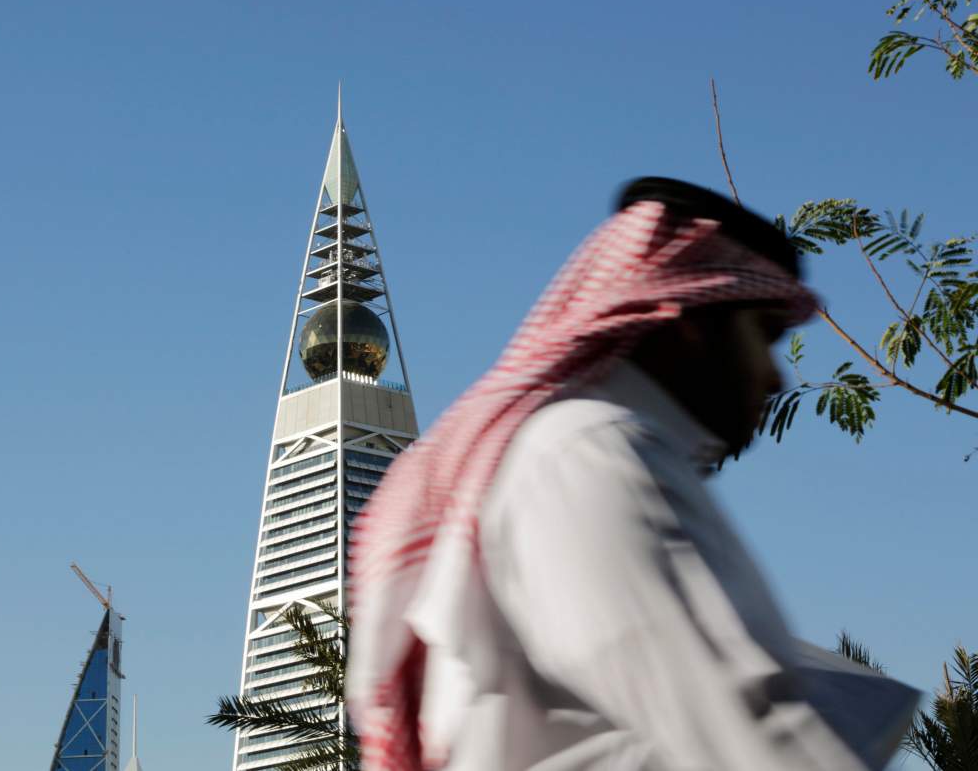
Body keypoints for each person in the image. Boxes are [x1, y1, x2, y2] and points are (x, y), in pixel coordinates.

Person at [345, 178, 918, 770]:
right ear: (688, 319)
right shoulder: (587, 452)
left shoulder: (598, 449)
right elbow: (741, 727)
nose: (778, 378)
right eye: (763, 335)